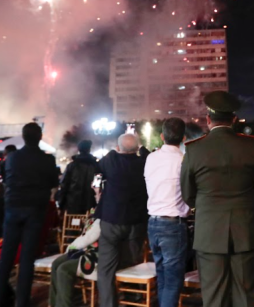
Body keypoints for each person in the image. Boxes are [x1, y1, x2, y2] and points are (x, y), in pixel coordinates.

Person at [181, 91, 254, 307]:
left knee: (214, 295)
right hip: (244, 227)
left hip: (209, 230)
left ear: (208, 120)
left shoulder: (194, 149)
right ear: (234, 119)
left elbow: (188, 193)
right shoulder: (252, 146)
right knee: (246, 294)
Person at [0, 122, 58, 307]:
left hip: (12, 208)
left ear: (23, 136)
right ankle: (22, 301)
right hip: (35, 209)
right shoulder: (47, 160)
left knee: (6, 257)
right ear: (40, 137)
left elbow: (4, 177)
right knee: (27, 257)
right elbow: (53, 182)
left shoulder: (11, 158)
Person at [97, 130, 149, 307]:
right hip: (137, 223)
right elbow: (146, 153)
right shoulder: (144, 163)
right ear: (136, 149)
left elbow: (108, 155)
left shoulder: (111, 161)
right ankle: (134, 299)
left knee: (106, 269)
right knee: (132, 264)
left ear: (118, 147)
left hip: (112, 220)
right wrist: (140, 149)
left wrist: (118, 148)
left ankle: (109, 304)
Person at [144, 117, 190, 307]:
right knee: (172, 281)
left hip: (153, 223)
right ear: (183, 138)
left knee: (162, 275)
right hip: (173, 224)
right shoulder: (184, 160)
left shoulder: (151, 157)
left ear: (162, 136)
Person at [50, 207, 101, 307]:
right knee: (56, 264)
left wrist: (70, 248)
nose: (94, 192)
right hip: (84, 250)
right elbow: (85, 235)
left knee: (63, 270)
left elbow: (89, 237)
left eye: (96, 190)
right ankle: (53, 304)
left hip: (96, 255)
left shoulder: (104, 212)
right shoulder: (95, 210)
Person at [58, 139, 100, 214]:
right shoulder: (96, 166)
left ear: (78, 149)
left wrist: (61, 204)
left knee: (71, 224)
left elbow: (64, 185)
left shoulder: (72, 166)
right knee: (87, 224)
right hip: (90, 203)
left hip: (72, 203)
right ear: (89, 149)